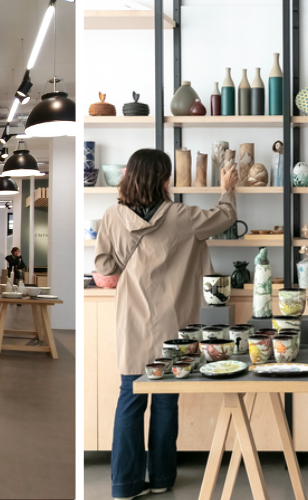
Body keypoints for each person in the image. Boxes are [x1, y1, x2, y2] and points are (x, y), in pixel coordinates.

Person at [95, 148, 238, 500]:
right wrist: (227, 187)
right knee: (165, 401)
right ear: (162, 179)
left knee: (129, 399)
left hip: (132, 322)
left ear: (129, 177)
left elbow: (104, 266)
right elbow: (226, 217)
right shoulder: (182, 216)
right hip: (174, 325)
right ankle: (160, 478)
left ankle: (124, 485)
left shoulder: (112, 216)